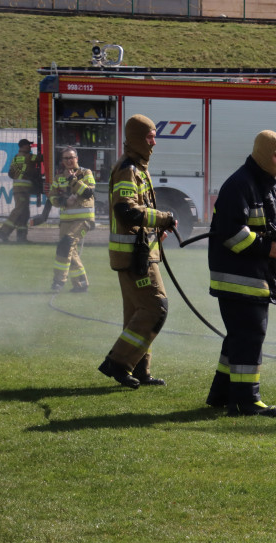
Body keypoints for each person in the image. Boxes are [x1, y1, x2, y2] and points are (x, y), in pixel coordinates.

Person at [205, 130, 276, 418]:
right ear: (261, 153)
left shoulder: (267, 184)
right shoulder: (240, 184)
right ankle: (246, 400)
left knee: (237, 338)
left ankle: (221, 393)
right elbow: (230, 233)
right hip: (238, 278)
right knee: (250, 337)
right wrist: (265, 247)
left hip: (254, 275)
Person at [98, 115, 177, 390]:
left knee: (137, 313)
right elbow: (126, 210)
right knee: (156, 308)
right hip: (133, 257)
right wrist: (163, 217)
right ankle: (118, 363)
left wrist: (157, 232)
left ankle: (141, 369)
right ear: (135, 138)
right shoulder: (128, 169)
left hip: (140, 253)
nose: (154, 142)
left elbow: (136, 217)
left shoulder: (139, 167)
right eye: (149, 137)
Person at [47, 147, 94, 292]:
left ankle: (58, 281)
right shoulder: (58, 177)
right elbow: (52, 197)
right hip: (66, 221)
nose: (69, 160)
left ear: (77, 158)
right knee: (69, 250)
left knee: (66, 244)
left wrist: (72, 179)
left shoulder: (86, 173)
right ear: (62, 161)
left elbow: (88, 192)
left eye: (71, 157)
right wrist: (63, 202)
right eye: (65, 158)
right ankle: (80, 284)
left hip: (83, 220)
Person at [0, 138, 43, 243]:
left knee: (25, 212)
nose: (30, 147)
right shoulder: (29, 157)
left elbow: (10, 173)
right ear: (23, 146)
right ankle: (3, 232)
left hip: (18, 187)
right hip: (23, 188)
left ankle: (21, 238)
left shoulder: (16, 158)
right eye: (28, 145)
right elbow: (41, 158)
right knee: (19, 210)